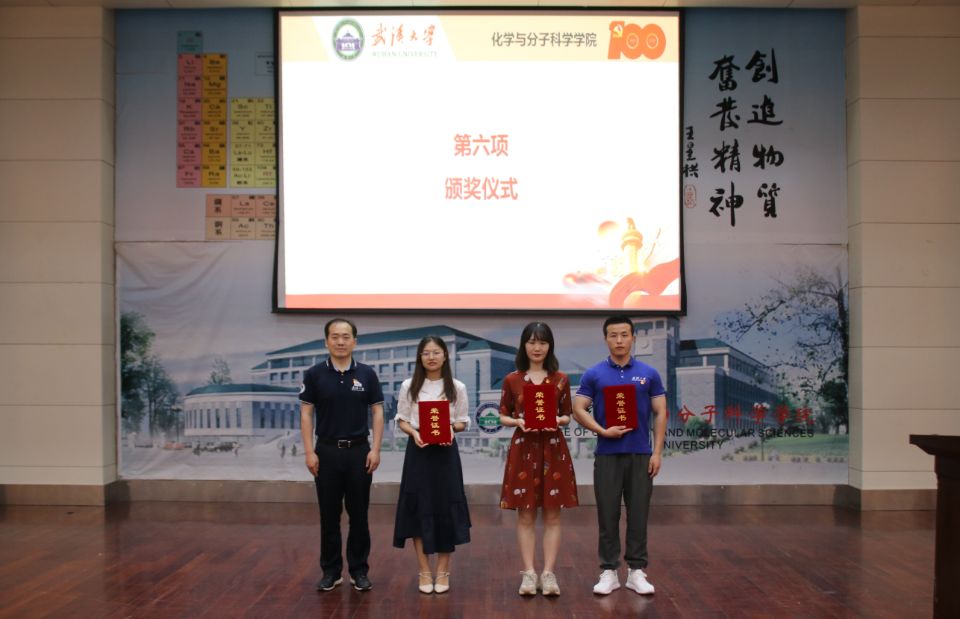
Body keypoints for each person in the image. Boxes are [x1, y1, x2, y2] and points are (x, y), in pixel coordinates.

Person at [572, 315, 667, 596]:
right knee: (607, 514)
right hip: (607, 454)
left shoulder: (649, 373)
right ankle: (609, 571)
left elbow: (661, 411)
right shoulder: (594, 374)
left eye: (624, 334)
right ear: (606, 339)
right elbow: (578, 408)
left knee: (638, 513)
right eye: (613, 335)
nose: (619, 340)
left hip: (640, 454)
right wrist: (602, 430)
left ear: (633, 337)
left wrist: (657, 452)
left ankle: (636, 571)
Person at [299, 318, 384, 592]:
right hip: (326, 452)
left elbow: (378, 412)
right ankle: (331, 571)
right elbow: (306, 414)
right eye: (335, 336)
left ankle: (359, 571)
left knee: (359, 515)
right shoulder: (314, 374)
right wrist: (309, 451)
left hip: (359, 452)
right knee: (329, 516)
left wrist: (376, 449)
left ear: (354, 342)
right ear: (326, 341)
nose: (340, 341)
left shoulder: (367, 374)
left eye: (346, 336)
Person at [498, 322, 578, 596]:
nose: (537, 347)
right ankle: (529, 573)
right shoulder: (512, 379)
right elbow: (503, 415)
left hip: (553, 448)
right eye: (532, 342)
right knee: (525, 514)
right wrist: (517, 422)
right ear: (524, 345)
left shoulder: (560, 379)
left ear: (549, 346)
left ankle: (549, 573)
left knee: (553, 514)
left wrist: (558, 420)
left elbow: (567, 415)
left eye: (542, 342)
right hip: (524, 449)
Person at [393, 336, 472, 594]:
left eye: (436, 352)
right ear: (420, 357)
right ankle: (425, 570)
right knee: (420, 508)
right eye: (426, 353)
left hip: (446, 454)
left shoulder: (457, 387)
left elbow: (463, 421)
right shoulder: (409, 386)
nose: (431, 357)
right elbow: (402, 419)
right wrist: (414, 433)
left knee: (446, 508)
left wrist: (450, 428)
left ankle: (443, 571)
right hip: (419, 452)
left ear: (445, 355)